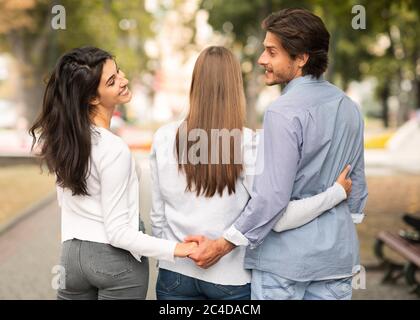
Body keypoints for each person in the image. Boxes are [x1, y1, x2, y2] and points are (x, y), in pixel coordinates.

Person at [187, 9, 368, 300]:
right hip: (337, 261)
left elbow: (271, 200)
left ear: (301, 58)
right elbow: (356, 188)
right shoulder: (350, 107)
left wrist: (222, 244)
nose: (262, 60)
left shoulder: (282, 112)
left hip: (284, 266)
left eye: (272, 52)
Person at [150, 46, 353, 300]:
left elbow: (157, 215)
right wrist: (336, 193)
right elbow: (274, 212)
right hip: (230, 279)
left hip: (175, 274)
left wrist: (167, 259)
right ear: (235, 88)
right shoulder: (248, 143)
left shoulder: (163, 137)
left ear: (195, 82)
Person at [29, 47, 197, 300]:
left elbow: (67, 204)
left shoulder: (65, 142)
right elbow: (119, 233)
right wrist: (178, 249)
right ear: (93, 98)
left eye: (117, 72)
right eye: (112, 81)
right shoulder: (113, 148)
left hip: (70, 260)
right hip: (114, 262)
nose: (124, 80)